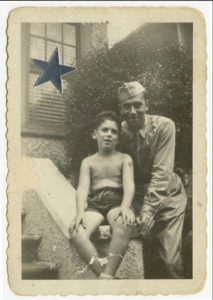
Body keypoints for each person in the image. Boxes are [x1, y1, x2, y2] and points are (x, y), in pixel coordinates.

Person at [117, 81, 187, 279]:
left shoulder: (165, 126)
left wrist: (148, 211)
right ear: (120, 109)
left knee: (170, 262)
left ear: (146, 104)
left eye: (137, 105)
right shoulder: (118, 132)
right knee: (144, 261)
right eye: (126, 106)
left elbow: (162, 174)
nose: (132, 111)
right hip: (136, 199)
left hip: (167, 199)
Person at [69, 111, 135, 279]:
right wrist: (80, 213)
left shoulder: (124, 159)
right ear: (95, 134)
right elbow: (82, 189)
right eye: (104, 130)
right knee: (76, 232)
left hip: (117, 202)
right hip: (95, 204)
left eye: (114, 132)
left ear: (118, 138)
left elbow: (129, 185)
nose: (109, 134)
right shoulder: (88, 162)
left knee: (124, 223)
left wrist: (126, 207)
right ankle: (104, 275)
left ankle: (108, 273)